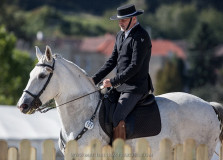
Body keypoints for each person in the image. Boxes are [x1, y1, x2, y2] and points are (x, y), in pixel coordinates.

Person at [92, 4, 153, 140]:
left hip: (135, 87)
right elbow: (112, 61)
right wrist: (93, 80)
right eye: (119, 20)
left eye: (124, 20)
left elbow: (134, 66)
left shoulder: (141, 37)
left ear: (134, 19)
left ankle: (119, 152)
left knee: (117, 116)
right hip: (121, 86)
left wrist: (113, 81)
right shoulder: (120, 35)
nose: (120, 23)